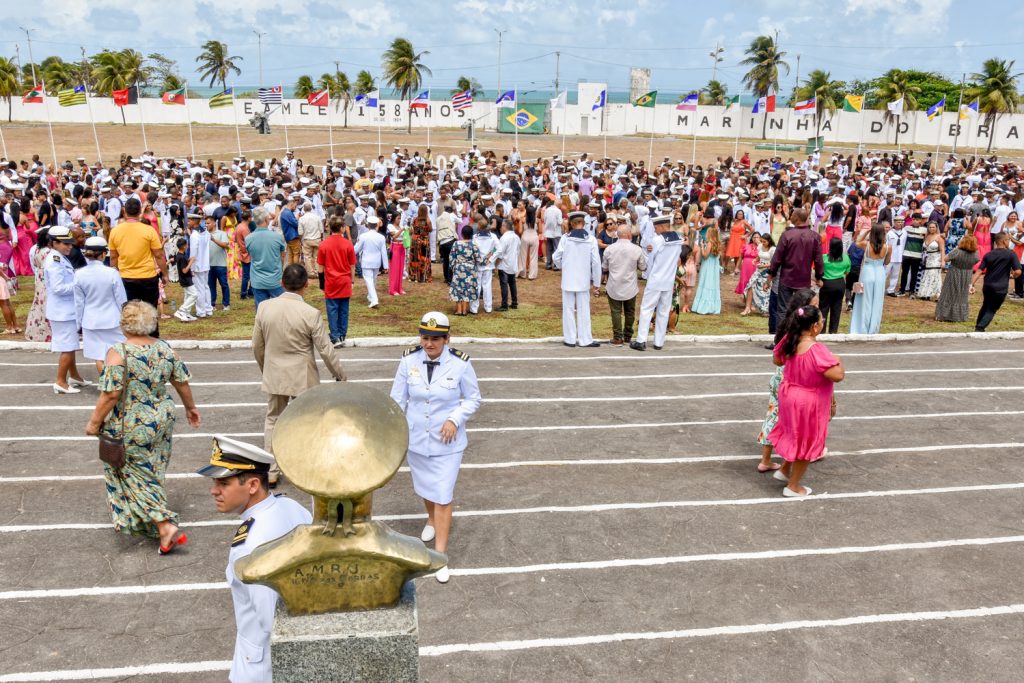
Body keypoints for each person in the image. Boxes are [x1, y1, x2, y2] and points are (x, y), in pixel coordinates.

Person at [84, 300, 200, 550]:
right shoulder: (166, 348)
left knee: (128, 473)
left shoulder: (119, 352)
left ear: (124, 325)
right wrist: (191, 408)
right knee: (152, 468)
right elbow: (181, 382)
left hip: (131, 422)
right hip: (161, 418)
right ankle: (153, 523)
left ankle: (164, 525)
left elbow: (111, 394)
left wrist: (94, 423)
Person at [197, 435, 311, 683]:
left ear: (252, 485)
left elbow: (271, 619)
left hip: (264, 667)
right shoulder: (291, 507)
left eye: (224, 483)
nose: (214, 490)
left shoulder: (251, 545)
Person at [389, 312, 481, 584]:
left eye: (435, 339)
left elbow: (473, 398)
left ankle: (440, 556)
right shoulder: (408, 361)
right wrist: (394, 432)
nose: (429, 344)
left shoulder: (461, 364)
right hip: (417, 439)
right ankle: (430, 519)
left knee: (442, 495)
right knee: (425, 488)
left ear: (447, 339)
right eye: (425, 338)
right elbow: (397, 400)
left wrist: (455, 418)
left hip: (448, 443)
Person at [253, 264, 347, 486]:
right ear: (306, 284)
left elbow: (257, 346)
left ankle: (273, 470)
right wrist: (339, 374)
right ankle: (307, 467)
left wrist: (266, 368)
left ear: (282, 283)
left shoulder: (265, 308)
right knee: (308, 420)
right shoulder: (310, 313)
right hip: (303, 375)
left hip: (275, 371)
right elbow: (325, 349)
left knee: (273, 419)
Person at [768, 304, 845, 497]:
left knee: (794, 435)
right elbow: (837, 375)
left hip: (789, 395)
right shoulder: (816, 349)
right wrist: (837, 358)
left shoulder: (790, 340)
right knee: (806, 441)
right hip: (808, 401)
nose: (822, 324)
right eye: (821, 321)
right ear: (814, 327)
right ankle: (793, 486)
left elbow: (777, 360)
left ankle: (785, 470)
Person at [756, 288, 818, 475]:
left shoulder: (786, 324)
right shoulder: (801, 332)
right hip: (790, 379)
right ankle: (789, 460)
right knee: (791, 420)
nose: (818, 309)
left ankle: (766, 459)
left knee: (773, 416)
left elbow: (777, 356)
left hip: (779, 376)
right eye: (815, 305)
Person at [107, 197, 168, 336]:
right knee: (150, 311)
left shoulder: (115, 231)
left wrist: (114, 273)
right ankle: (152, 342)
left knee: (129, 312)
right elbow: (159, 255)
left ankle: (131, 341)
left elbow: (113, 257)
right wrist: (164, 274)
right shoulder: (148, 230)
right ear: (139, 212)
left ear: (125, 212)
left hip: (126, 277)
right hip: (147, 276)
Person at [44, 226, 88, 393]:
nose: (70, 246)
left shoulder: (60, 257)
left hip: (65, 309)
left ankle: (74, 376)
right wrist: (79, 285)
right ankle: (61, 382)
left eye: (70, 243)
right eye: (65, 244)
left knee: (71, 345)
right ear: (54, 243)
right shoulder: (54, 260)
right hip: (62, 311)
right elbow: (58, 288)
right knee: (67, 347)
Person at [73, 236, 127, 372]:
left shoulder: (79, 274)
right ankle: (119, 385)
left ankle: (106, 386)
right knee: (118, 355)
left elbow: (79, 303)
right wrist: (126, 317)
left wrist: (78, 323)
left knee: (99, 357)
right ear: (104, 254)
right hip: (113, 319)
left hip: (90, 321)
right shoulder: (112, 273)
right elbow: (121, 299)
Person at [631, 215, 682, 351]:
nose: (655, 230)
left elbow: (651, 261)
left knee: (646, 309)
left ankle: (641, 340)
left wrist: (647, 276)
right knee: (663, 311)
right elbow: (676, 259)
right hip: (669, 280)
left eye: (656, 227)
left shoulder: (657, 240)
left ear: (662, 226)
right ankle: (659, 342)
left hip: (655, 279)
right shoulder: (678, 239)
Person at [553, 211, 602, 347]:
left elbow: (556, 257)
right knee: (583, 309)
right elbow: (596, 262)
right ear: (584, 223)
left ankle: (569, 339)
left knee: (568, 309)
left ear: (572, 224)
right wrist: (596, 282)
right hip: (584, 280)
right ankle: (585, 339)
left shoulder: (565, 238)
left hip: (568, 278)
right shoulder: (591, 239)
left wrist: (563, 267)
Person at [767, 208, 823, 316]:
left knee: (783, 310)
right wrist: (819, 276)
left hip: (787, 278)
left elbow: (777, 258)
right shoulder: (815, 237)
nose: (790, 217)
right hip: (803, 279)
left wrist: (771, 274)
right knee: (802, 311)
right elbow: (818, 260)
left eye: (792, 215)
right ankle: (798, 332)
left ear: (797, 218)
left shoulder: (787, 235)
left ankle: (783, 332)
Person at [602, 223, 647, 345]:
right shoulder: (637, 249)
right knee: (629, 311)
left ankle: (617, 337)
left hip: (614, 284)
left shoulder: (609, 249)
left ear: (618, 235)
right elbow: (643, 267)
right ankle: (627, 335)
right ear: (628, 235)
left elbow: (604, 267)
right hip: (630, 285)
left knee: (616, 311)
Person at [317, 215, 357, 346]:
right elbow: (352, 265)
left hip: (331, 281)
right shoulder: (348, 244)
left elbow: (320, 267)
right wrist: (352, 280)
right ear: (341, 228)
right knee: (344, 309)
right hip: (344, 280)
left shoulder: (324, 244)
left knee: (332, 309)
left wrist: (321, 283)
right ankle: (342, 334)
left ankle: (335, 336)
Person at [971, 232, 1022, 332]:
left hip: (987, 286)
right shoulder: (1011, 254)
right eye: (1008, 240)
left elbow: (979, 271)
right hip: (1000, 287)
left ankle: (978, 326)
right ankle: (979, 328)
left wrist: (971, 284)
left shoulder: (989, 254)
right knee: (992, 309)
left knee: (985, 305)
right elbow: (1018, 271)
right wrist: (1013, 276)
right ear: (1004, 241)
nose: (1009, 242)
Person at [849, 223, 890, 335]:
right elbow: (886, 262)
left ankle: (862, 327)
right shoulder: (888, 247)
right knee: (877, 301)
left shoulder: (866, 244)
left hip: (867, 271)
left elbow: (856, 242)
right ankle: (873, 329)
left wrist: (866, 232)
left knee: (864, 300)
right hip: (880, 272)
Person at [245, 207, 287, 309]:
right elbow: (283, 255)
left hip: (257, 280)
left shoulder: (248, 238)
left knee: (261, 311)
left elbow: (251, 254)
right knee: (280, 309)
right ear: (266, 220)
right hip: (275, 279)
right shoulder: (277, 237)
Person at [935, 234, 980, 323]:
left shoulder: (957, 251)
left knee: (948, 293)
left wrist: (954, 249)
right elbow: (977, 260)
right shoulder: (975, 253)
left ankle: (944, 315)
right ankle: (959, 316)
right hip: (967, 274)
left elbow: (946, 258)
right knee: (962, 295)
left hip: (954, 273)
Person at [354, 215, 388, 309]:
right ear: (376, 225)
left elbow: (356, 249)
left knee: (369, 280)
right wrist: (385, 266)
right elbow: (384, 252)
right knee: (373, 280)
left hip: (366, 261)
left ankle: (374, 299)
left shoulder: (363, 236)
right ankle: (370, 296)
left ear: (368, 225)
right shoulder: (381, 237)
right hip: (377, 262)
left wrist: (349, 252)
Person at [24, 228, 52, 342]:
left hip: (39, 278)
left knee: (39, 303)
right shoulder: (48, 252)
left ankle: (35, 329)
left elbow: (34, 264)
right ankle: (46, 332)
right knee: (46, 303)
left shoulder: (37, 250)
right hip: (45, 278)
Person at [818, 237, 851, 334]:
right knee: (836, 308)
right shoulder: (846, 258)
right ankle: (833, 331)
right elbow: (847, 272)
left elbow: (819, 270)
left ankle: (822, 331)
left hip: (827, 284)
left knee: (823, 308)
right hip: (840, 283)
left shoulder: (824, 258)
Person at [448, 225, 482, 317]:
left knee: (458, 289)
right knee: (468, 289)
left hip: (459, 268)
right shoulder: (474, 245)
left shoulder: (456, 244)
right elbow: (479, 259)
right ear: (472, 235)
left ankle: (458, 310)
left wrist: (454, 267)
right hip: (470, 270)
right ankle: (464, 310)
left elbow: (451, 257)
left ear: (462, 234)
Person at [471, 219, 499, 315]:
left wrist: (486, 259)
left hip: (479, 265)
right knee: (487, 286)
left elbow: (473, 250)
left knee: (477, 286)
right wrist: (490, 259)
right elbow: (499, 249)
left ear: (479, 226)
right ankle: (488, 307)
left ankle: (474, 308)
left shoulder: (475, 237)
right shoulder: (493, 236)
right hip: (487, 265)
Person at [692, 227, 722, 315]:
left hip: (707, 266)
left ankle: (704, 307)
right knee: (712, 284)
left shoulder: (709, 243)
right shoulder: (718, 244)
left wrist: (701, 247)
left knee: (705, 283)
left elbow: (705, 256)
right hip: (714, 267)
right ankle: (713, 306)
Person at [743, 233, 774, 316]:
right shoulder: (760, 246)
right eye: (761, 241)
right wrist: (755, 260)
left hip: (767, 272)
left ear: (769, 241)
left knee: (765, 291)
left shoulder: (773, 249)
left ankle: (765, 309)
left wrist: (764, 265)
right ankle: (747, 308)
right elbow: (760, 256)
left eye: (764, 242)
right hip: (758, 270)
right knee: (751, 285)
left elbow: (774, 263)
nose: (762, 243)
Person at [188, 215, 213, 318]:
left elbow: (193, 253)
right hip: (205, 263)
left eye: (190, 220)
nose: (188, 222)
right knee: (205, 287)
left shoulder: (194, 235)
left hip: (197, 265)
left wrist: (191, 267)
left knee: (199, 288)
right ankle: (208, 309)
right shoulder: (206, 233)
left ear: (195, 221)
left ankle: (201, 311)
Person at [915, 221, 945, 300]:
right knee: (927, 275)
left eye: (933, 227)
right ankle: (926, 294)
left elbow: (942, 250)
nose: (931, 229)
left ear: (936, 228)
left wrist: (942, 261)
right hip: (927, 258)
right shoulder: (926, 236)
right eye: (930, 227)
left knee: (934, 275)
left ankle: (937, 294)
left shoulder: (939, 237)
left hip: (936, 258)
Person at [495, 218, 520, 311]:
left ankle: (504, 304)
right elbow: (518, 250)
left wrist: (495, 264)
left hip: (504, 264)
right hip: (512, 263)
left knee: (504, 284)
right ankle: (514, 302)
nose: (500, 228)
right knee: (512, 283)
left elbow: (500, 253)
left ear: (504, 227)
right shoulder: (516, 237)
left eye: (501, 226)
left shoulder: (504, 238)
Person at [172, 237, 199, 322]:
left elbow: (181, 266)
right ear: (184, 246)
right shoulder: (182, 257)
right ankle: (182, 311)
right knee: (194, 294)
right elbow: (184, 270)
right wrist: (191, 262)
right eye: (186, 244)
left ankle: (186, 314)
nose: (187, 246)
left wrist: (188, 260)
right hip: (186, 279)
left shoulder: (179, 255)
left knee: (188, 296)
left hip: (184, 279)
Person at [208, 216, 231, 312]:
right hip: (209, 265)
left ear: (214, 223)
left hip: (220, 264)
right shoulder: (205, 234)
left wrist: (213, 239)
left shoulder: (221, 233)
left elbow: (225, 245)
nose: (206, 225)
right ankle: (211, 304)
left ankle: (226, 304)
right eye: (205, 223)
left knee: (224, 285)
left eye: (208, 223)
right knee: (211, 285)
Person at [298, 201, 324, 278]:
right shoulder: (317, 217)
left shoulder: (301, 219)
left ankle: (310, 273)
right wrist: (321, 238)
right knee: (317, 256)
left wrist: (300, 240)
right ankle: (317, 271)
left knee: (307, 256)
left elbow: (300, 232)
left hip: (307, 239)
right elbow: (321, 230)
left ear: (304, 209)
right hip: (317, 239)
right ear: (311, 209)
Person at [409, 204, 432, 283]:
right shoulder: (427, 220)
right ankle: (423, 276)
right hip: (424, 240)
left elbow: (411, 230)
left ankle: (414, 276)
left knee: (415, 258)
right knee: (424, 258)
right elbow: (430, 229)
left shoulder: (415, 220)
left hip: (415, 240)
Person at [436, 204, 458, 284]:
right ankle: (450, 279)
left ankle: (446, 278)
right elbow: (460, 221)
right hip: (450, 240)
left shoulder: (438, 219)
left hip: (442, 242)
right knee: (451, 260)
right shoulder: (451, 215)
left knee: (445, 260)